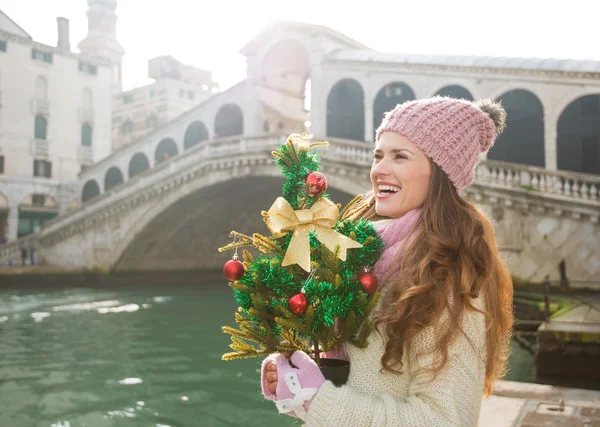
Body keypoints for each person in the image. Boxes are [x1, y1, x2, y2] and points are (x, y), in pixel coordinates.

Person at [260, 96, 514, 426]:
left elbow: (445, 420)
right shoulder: (361, 252)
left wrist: (318, 397)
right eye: (378, 155)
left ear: (440, 173)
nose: (379, 169)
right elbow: (362, 379)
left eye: (400, 156)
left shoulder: (447, 275)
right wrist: (296, 382)